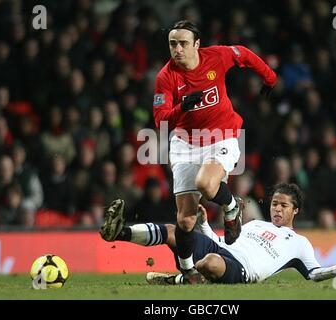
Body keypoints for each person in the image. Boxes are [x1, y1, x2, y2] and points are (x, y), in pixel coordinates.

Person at [100, 20, 278, 283]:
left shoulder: (216, 56)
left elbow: (242, 53)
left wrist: (269, 77)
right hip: (185, 143)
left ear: (197, 44)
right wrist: (183, 107)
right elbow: (160, 120)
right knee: (184, 221)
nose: (177, 49)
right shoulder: (166, 76)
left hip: (222, 135)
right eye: (173, 43)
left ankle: (231, 208)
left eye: (183, 43)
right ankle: (187, 271)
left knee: (206, 184)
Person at [99, 183, 336, 284]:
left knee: (209, 264)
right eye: (274, 203)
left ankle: (180, 279)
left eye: (283, 206)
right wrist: (203, 224)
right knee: (176, 230)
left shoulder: (300, 243)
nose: (276, 209)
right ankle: (118, 232)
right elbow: (218, 241)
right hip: (225, 251)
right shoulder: (255, 224)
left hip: (241, 269)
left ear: (295, 211)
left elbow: (312, 275)